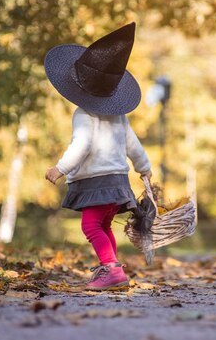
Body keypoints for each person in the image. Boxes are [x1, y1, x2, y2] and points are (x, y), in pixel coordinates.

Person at [43, 22, 152, 291]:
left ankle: (112, 270)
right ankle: (112, 270)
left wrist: (60, 168)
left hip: (96, 182)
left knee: (91, 227)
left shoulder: (83, 114)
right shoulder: (118, 115)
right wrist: (144, 167)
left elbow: (82, 144)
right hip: (118, 181)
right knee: (104, 225)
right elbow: (133, 144)